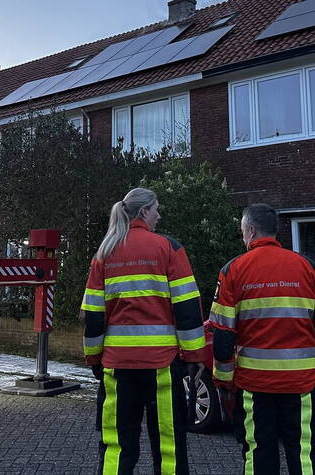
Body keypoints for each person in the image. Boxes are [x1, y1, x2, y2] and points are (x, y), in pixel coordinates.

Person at [81, 187, 206, 475]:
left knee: (116, 446)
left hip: (117, 367)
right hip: (161, 366)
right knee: (169, 447)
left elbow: (93, 315)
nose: (159, 215)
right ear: (143, 211)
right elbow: (187, 308)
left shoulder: (104, 253)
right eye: (156, 209)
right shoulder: (169, 248)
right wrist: (194, 356)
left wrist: (94, 359)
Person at [209, 203, 315, 475]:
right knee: (304, 458)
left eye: (243, 232)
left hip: (254, 388)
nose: (243, 237)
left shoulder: (232, 270)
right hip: (302, 386)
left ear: (252, 231)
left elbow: (222, 338)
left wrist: (223, 382)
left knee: (258, 456)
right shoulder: (308, 267)